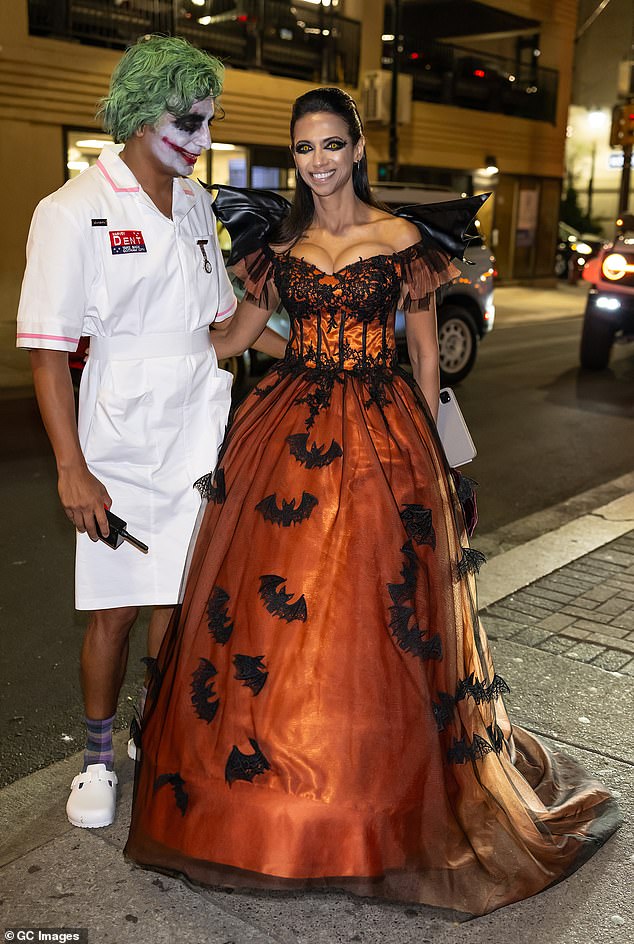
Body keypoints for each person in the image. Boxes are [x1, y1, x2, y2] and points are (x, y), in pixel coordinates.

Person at [125, 88, 620, 915]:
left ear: (357, 149)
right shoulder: (279, 245)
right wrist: (137, 324)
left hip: (383, 440)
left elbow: (425, 362)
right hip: (284, 440)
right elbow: (232, 340)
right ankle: (271, 801)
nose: (316, 162)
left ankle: (375, 799)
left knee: (370, 620)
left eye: (330, 145)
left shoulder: (406, 243)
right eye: (302, 148)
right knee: (272, 624)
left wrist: (435, 464)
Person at [16, 35, 284, 830]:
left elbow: (226, 322)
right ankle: (97, 760)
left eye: (209, 123)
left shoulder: (199, 204)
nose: (203, 142)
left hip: (200, 429)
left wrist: (319, 345)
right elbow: (46, 353)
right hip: (117, 438)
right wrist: (72, 467)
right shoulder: (69, 210)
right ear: (139, 114)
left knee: (181, 597)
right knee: (114, 608)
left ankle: (156, 728)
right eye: (188, 122)